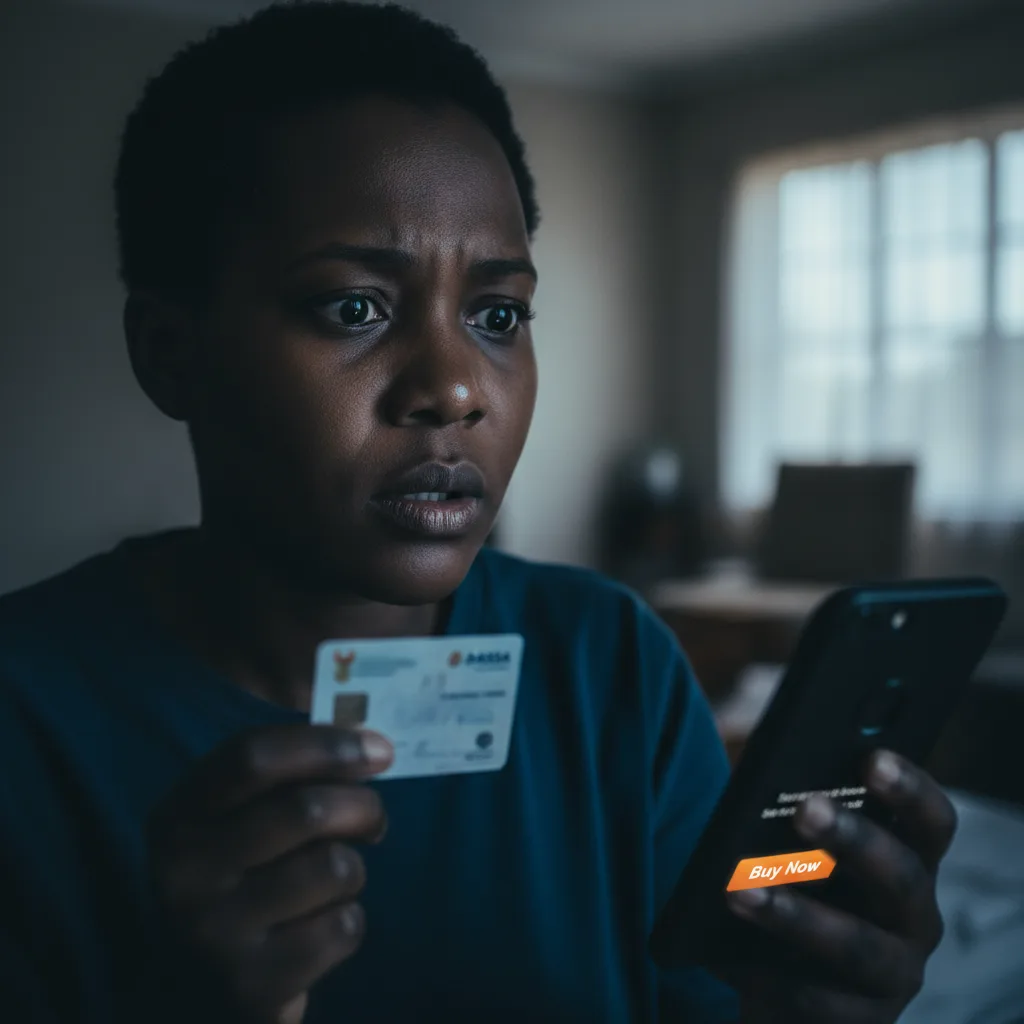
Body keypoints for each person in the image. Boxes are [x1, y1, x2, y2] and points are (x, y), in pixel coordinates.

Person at [0, 3, 956, 1022]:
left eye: (497, 316)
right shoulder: (27, 715)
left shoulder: (608, 663)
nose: (457, 388)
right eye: (353, 307)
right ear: (171, 352)